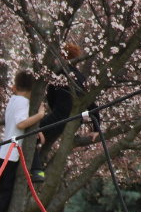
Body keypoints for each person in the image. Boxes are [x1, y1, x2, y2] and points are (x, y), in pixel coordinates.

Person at [0, 70, 47, 212]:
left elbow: (19, 125)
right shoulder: (22, 102)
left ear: (14, 87)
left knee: (6, 191)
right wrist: (40, 116)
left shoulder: (13, 100)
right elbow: (21, 123)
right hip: (10, 155)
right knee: (6, 193)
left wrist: (37, 130)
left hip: (6, 153)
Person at [29, 42, 100, 182]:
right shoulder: (80, 76)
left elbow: (51, 98)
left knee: (30, 133)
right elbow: (91, 103)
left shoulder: (60, 73)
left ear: (63, 57)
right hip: (75, 119)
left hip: (60, 116)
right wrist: (97, 128)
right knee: (39, 134)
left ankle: (36, 170)